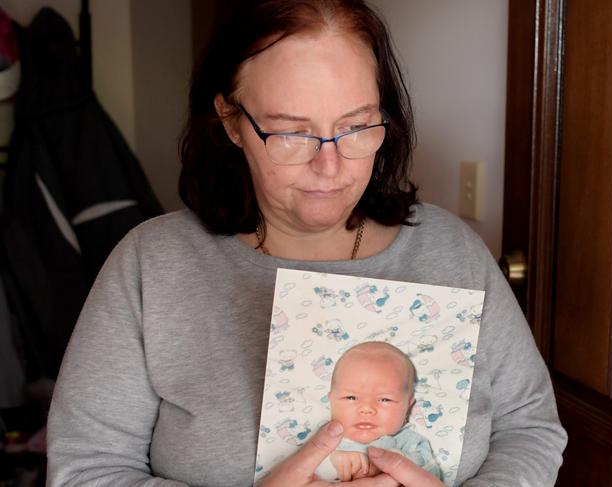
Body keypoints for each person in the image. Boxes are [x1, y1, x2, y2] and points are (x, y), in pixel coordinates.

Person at [46, 0, 567, 486]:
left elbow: (531, 426)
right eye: (291, 132)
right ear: (231, 121)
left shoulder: (454, 251)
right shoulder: (150, 264)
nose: (330, 166)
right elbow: (85, 470)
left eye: (357, 126)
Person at [318, 342, 443, 482]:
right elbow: (295, 474)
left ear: (408, 406)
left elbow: (431, 479)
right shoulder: (322, 440)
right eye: (351, 397)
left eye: (385, 399)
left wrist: (393, 460)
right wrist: (330, 464)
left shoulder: (409, 442)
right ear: (331, 401)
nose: (366, 409)